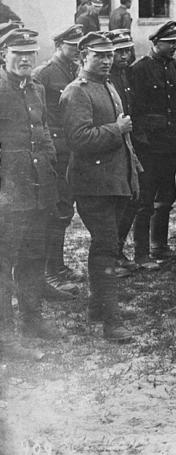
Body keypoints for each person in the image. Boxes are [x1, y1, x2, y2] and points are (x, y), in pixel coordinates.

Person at [61, 31, 142, 343]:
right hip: (92, 184)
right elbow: (78, 139)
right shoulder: (76, 92)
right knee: (106, 247)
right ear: (83, 57)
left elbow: (124, 141)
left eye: (110, 55)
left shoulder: (107, 85)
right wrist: (116, 128)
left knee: (107, 245)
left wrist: (132, 171)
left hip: (113, 180)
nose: (107, 60)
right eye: (99, 55)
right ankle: (111, 320)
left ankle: (99, 306)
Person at [0, 27, 63, 357]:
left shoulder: (36, 88)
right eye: (18, 53)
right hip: (8, 195)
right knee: (3, 265)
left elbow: (44, 133)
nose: (25, 59)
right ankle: (5, 336)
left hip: (38, 189)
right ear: (3, 55)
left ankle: (32, 319)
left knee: (34, 257)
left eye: (30, 54)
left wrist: (50, 168)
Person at [34, 24, 85, 299]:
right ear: (58, 46)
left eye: (79, 46)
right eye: (71, 46)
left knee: (65, 210)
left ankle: (58, 266)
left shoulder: (74, 70)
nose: (76, 50)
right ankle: (49, 273)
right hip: (55, 150)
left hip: (72, 147)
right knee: (55, 211)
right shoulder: (43, 73)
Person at [129, 20, 176, 264]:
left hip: (170, 145)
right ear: (155, 43)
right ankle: (141, 254)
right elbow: (135, 109)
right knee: (145, 201)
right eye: (169, 43)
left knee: (167, 197)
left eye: (175, 42)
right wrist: (143, 140)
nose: (174, 46)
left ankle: (159, 245)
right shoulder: (139, 69)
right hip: (149, 147)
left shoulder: (174, 66)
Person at [106, 29, 142, 274]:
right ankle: (111, 254)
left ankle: (117, 248)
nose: (124, 56)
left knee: (132, 199)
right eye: (118, 51)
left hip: (130, 143)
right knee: (116, 203)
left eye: (127, 50)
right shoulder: (107, 78)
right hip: (112, 145)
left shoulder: (127, 74)